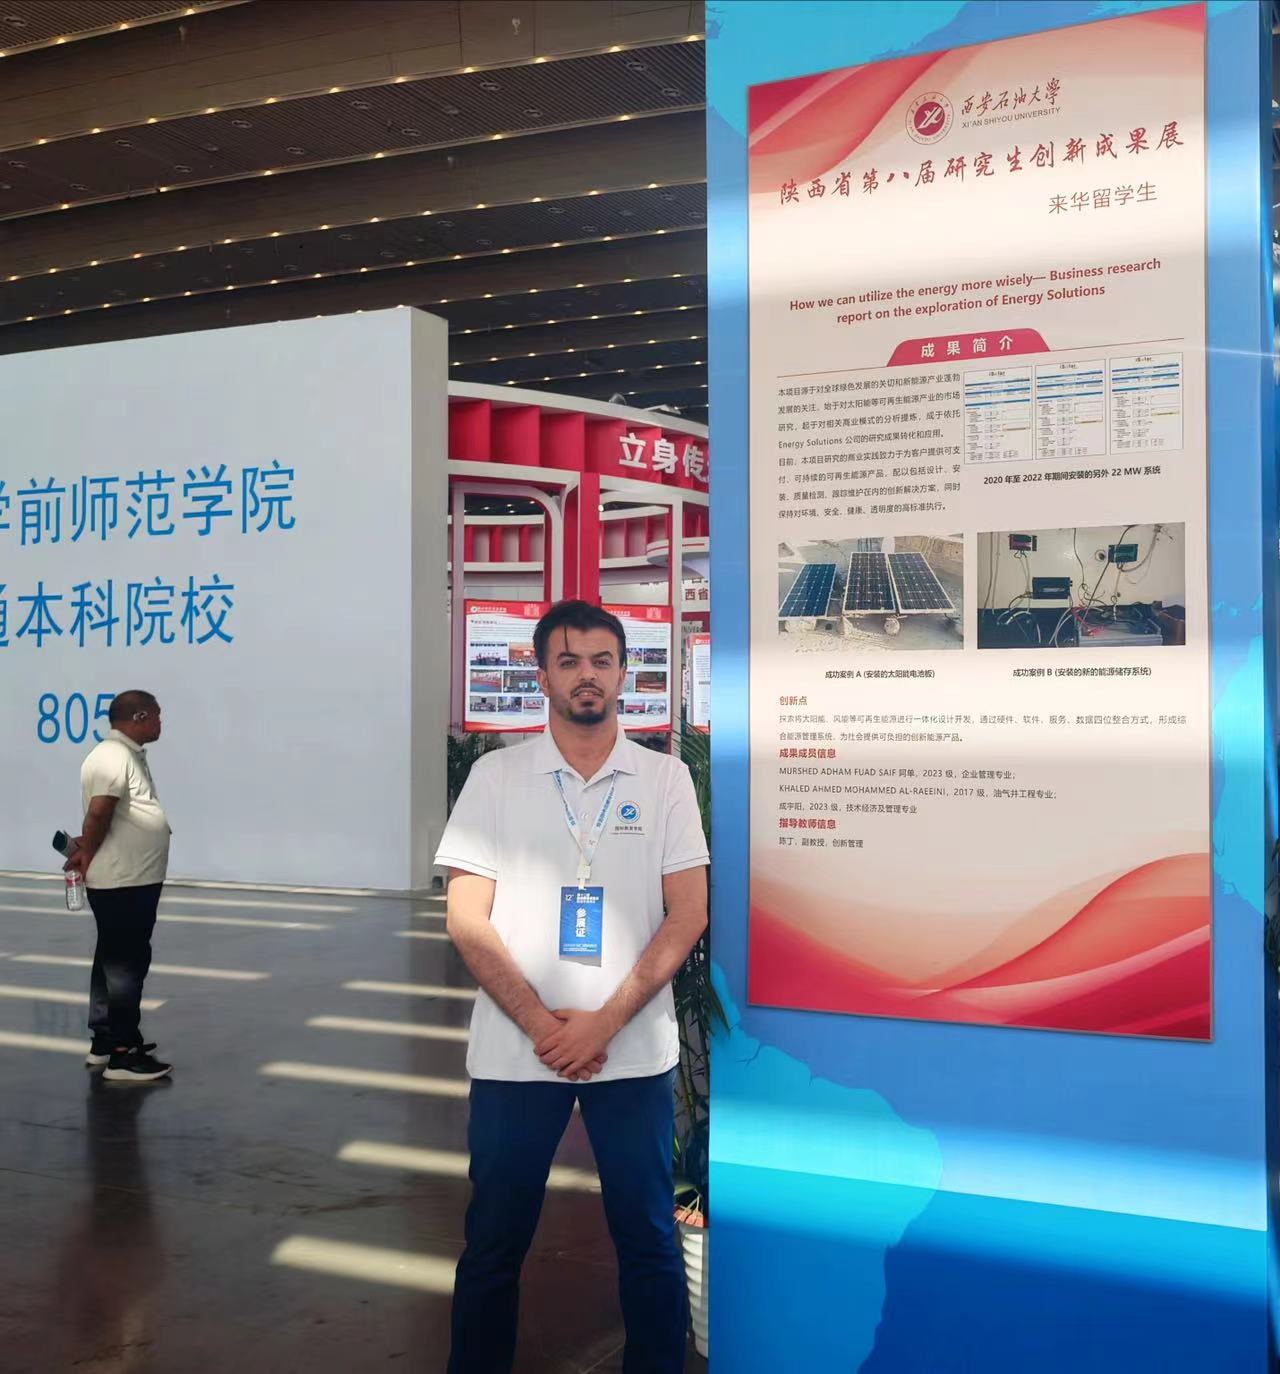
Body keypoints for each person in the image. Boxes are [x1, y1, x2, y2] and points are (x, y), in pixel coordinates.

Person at [438, 599, 709, 1374]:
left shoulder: (664, 779)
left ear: (623, 673)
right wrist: (542, 1025)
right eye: (568, 661)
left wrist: (603, 1023)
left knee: (647, 1237)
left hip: (632, 1053)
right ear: (542, 675)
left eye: (600, 661)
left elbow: (687, 914)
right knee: (494, 1240)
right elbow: (466, 919)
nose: (586, 675)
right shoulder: (495, 778)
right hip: (515, 1055)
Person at [65, 690, 173, 1082]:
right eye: (157, 715)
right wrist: (87, 853)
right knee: (127, 963)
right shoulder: (112, 756)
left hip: (132, 876)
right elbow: (99, 813)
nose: (161, 722)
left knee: (113, 958)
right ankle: (123, 1055)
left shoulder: (125, 755)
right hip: (124, 879)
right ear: (139, 717)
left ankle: (106, 1040)